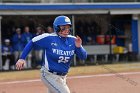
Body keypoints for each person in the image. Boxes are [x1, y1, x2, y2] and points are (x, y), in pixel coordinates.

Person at [16, 15, 87, 93]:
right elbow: (32, 42)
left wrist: (79, 47)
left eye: (68, 27)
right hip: (48, 74)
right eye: (63, 27)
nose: (66, 30)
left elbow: (83, 57)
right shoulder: (49, 38)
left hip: (63, 77)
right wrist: (22, 58)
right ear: (56, 27)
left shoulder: (73, 40)